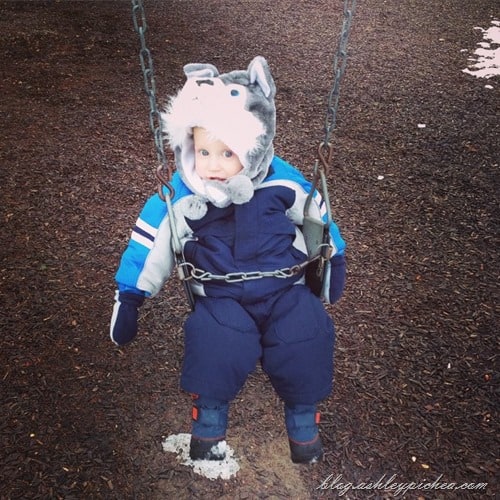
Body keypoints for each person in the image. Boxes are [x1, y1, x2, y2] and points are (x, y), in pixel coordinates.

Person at [110, 56, 346, 464]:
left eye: (228, 153)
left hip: (284, 288)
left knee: (307, 330)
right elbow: (149, 242)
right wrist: (130, 296)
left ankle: (303, 420)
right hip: (220, 295)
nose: (213, 166)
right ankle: (209, 421)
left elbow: (318, 217)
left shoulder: (283, 180)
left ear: (254, 149)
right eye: (204, 151)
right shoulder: (181, 194)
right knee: (216, 338)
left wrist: (333, 259)